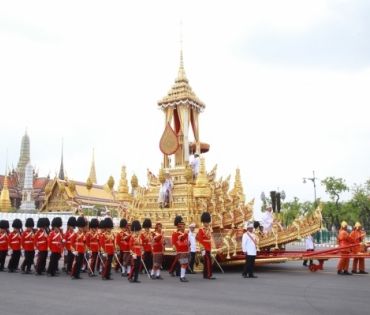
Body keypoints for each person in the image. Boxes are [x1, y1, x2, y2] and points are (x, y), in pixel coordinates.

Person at [172, 216, 190, 282]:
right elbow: (179, 240)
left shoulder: (183, 233)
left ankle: (182, 275)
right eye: (182, 226)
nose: (184, 227)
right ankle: (181, 276)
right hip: (181, 250)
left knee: (185, 263)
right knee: (183, 263)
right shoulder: (177, 233)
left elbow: (186, 240)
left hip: (185, 250)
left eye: (184, 226)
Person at [198, 212, 216, 279]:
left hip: (208, 247)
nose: (207, 223)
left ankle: (206, 274)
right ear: (203, 222)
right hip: (204, 247)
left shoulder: (208, 229)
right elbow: (200, 240)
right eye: (206, 222)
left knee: (207, 261)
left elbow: (209, 239)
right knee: (208, 261)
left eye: (208, 222)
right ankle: (208, 275)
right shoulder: (201, 229)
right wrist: (202, 249)